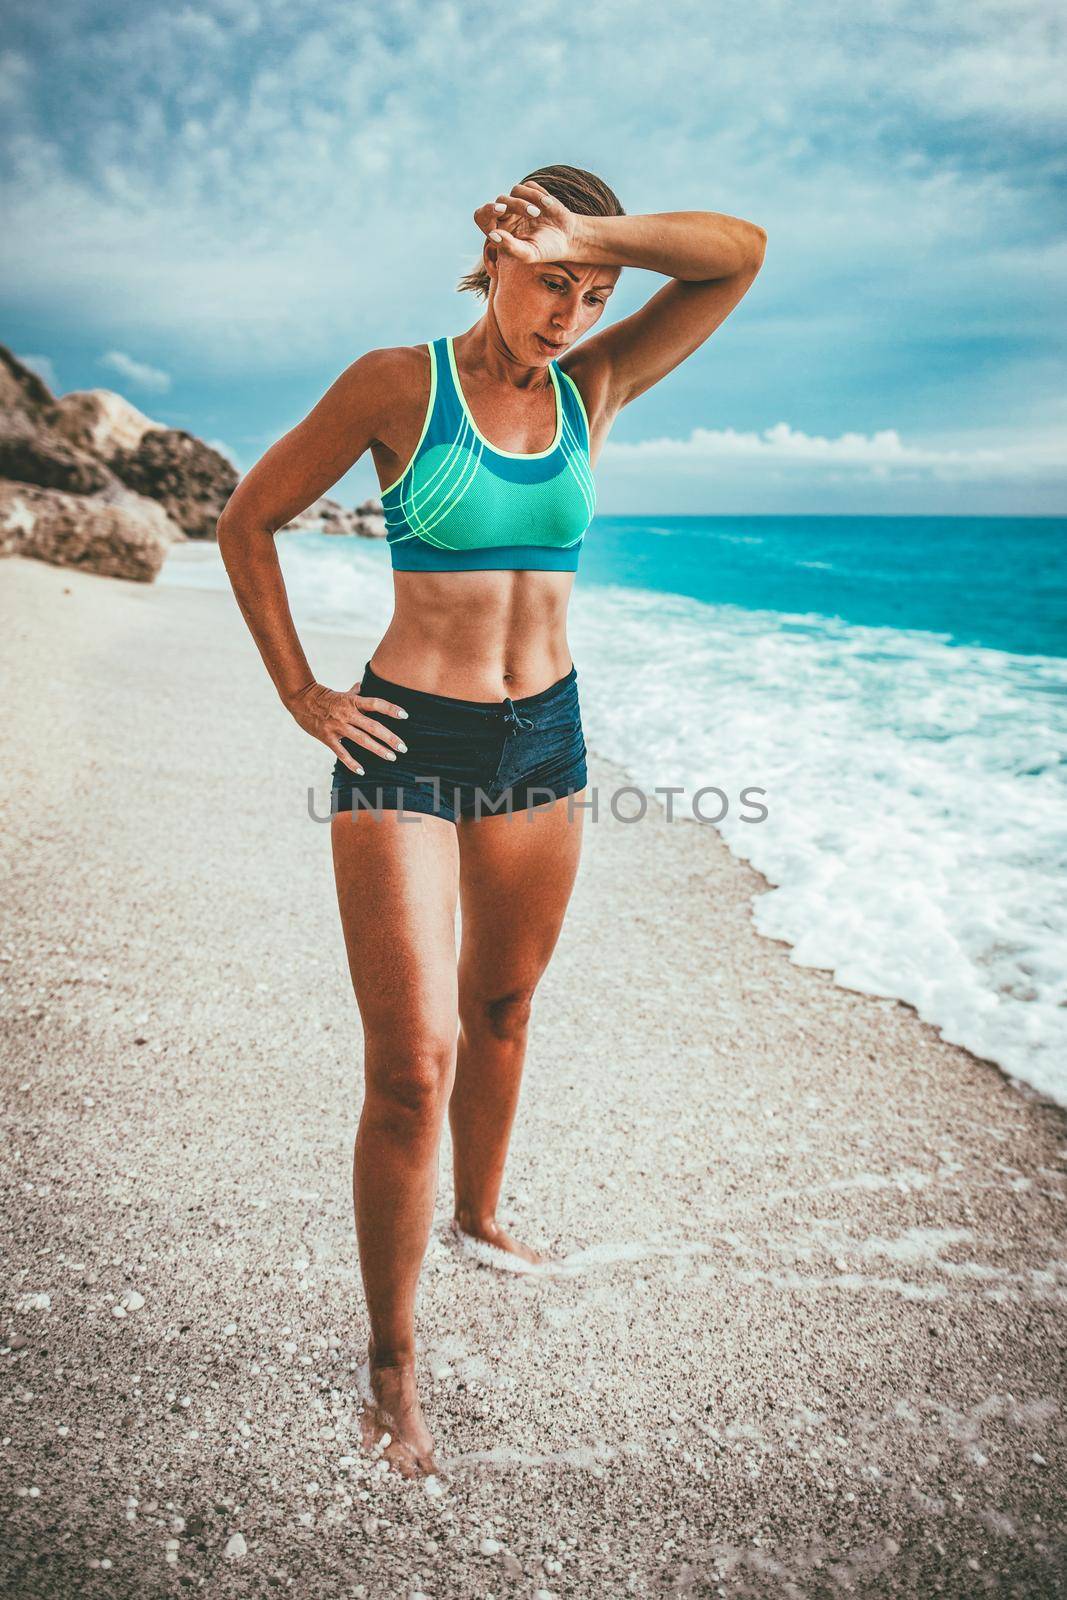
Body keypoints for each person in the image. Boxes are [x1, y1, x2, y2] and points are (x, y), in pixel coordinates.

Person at [216, 163, 766, 1479]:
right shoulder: (398, 383)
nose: (569, 310)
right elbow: (249, 520)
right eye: (549, 280)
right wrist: (303, 693)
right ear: (492, 264)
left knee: (506, 1010)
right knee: (412, 1064)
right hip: (408, 738)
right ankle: (393, 1369)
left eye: (593, 290)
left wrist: (596, 236)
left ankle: (478, 1217)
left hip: (545, 740)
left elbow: (738, 254)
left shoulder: (596, 387)